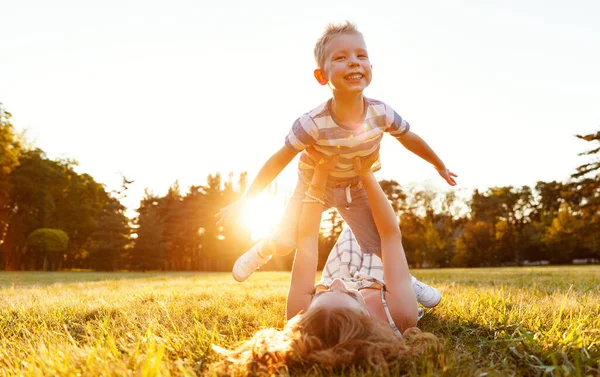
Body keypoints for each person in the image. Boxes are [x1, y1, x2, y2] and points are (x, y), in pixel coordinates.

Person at [216, 20, 457, 286]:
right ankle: (264, 248)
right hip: (313, 187)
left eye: (361, 56)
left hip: (356, 186)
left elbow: (409, 138)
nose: (354, 62)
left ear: (370, 68)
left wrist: (439, 164)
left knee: (379, 242)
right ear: (322, 76)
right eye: (341, 57)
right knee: (286, 242)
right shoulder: (312, 123)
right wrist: (246, 200)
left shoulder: (381, 113)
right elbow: (278, 160)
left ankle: (405, 282)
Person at [212, 148, 439, 375]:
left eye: (319, 294)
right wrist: (365, 174)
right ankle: (405, 282)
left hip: (346, 269)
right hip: (382, 284)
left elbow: (307, 239)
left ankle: (269, 246)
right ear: (368, 322)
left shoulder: (302, 317)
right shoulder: (400, 315)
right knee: (380, 244)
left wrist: (320, 175)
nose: (340, 283)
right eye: (350, 294)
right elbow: (391, 235)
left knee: (351, 231)